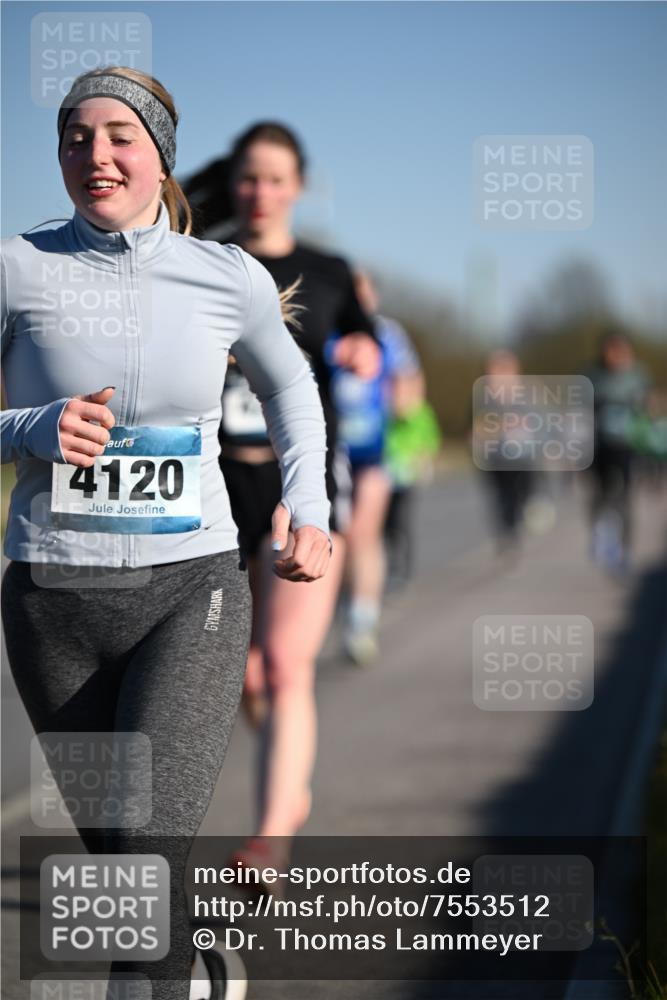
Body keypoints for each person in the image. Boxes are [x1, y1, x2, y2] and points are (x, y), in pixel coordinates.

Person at [1, 68, 332, 1000]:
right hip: (53, 602)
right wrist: (30, 427)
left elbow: (293, 391)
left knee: (146, 857)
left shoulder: (226, 276)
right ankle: (195, 969)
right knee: (121, 869)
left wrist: (310, 509)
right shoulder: (17, 267)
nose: (93, 155)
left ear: (159, 153)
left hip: (193, 589)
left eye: (117, 135)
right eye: (73, 136)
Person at [215, 123, 379, 870]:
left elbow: (367, 338)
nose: (260, 193)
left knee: (284, 665)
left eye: (276, 180)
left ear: (298, 187)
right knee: (242, 674)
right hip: (214, 482)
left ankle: (271, 834)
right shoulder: (202, 259)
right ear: (235, 182)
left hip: (299, 479)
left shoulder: (327, 269)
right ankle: (286, 774)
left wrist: (357, 349)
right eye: (249, 178)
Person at [329, 270, 428, 662]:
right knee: (333, 536)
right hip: (332, 449)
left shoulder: (390, 335)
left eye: (364, 293)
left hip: (375, 451)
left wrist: (404, 406)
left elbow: (410, 385)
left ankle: (361, 621)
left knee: (362, 534)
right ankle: (338, 604)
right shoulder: (329, 332)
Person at [584, 331, 649, 573]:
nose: (617, 356)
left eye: (621, 351)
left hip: (627, 446)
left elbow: (645, 410)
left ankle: (624, 548)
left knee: (625, 496)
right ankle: (598, 532)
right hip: (598, 446)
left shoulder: (638, 376)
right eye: (612, 350)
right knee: (600, 494)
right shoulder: (592, 375)